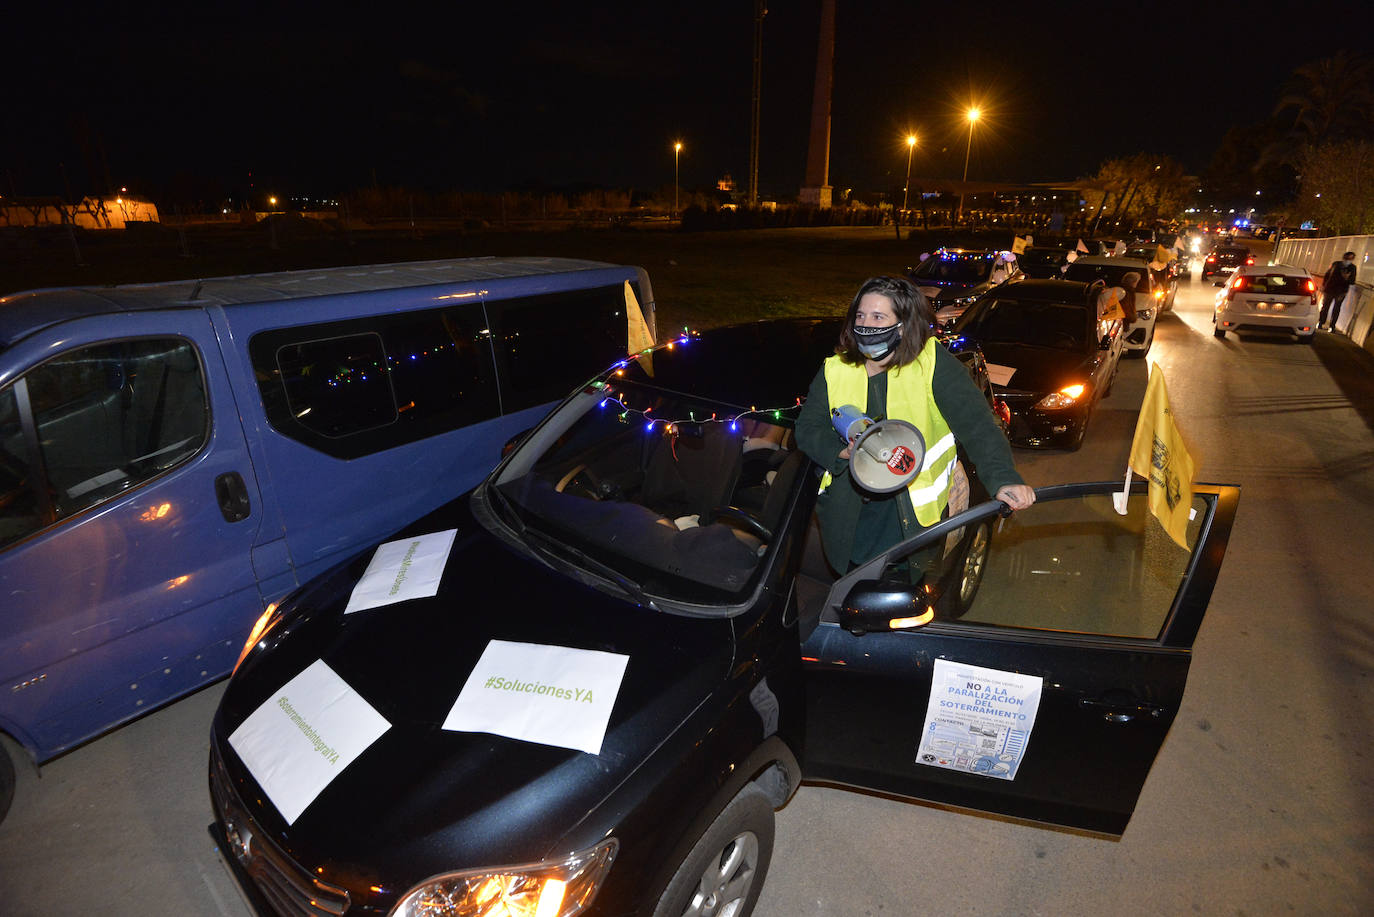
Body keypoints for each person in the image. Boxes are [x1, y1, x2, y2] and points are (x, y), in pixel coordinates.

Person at [795, 275, 1034, 575]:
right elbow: (808, 428)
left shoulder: (931, 364)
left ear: (903, 325)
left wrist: (1004, 478)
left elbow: (978, 426)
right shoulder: (836, 369)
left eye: (878, 317)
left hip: (910, 522)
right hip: (850, 519)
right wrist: (841, 453)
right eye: (860, 316)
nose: (866, 324)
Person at [1320, 251, 1357, 331]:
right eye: (1347, 258)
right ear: (1344, 257)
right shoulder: (1336, 264)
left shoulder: (1352, 268)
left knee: (1336, 308)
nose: (1348, 260)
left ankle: (1332, 326)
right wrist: (1323, 285)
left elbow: (1352, 281)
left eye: (1351, 259)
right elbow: (1327, 275)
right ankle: (1321, 322)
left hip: (1341, 291)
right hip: (1329, 289)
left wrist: (1346, 278)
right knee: (1325, 307)